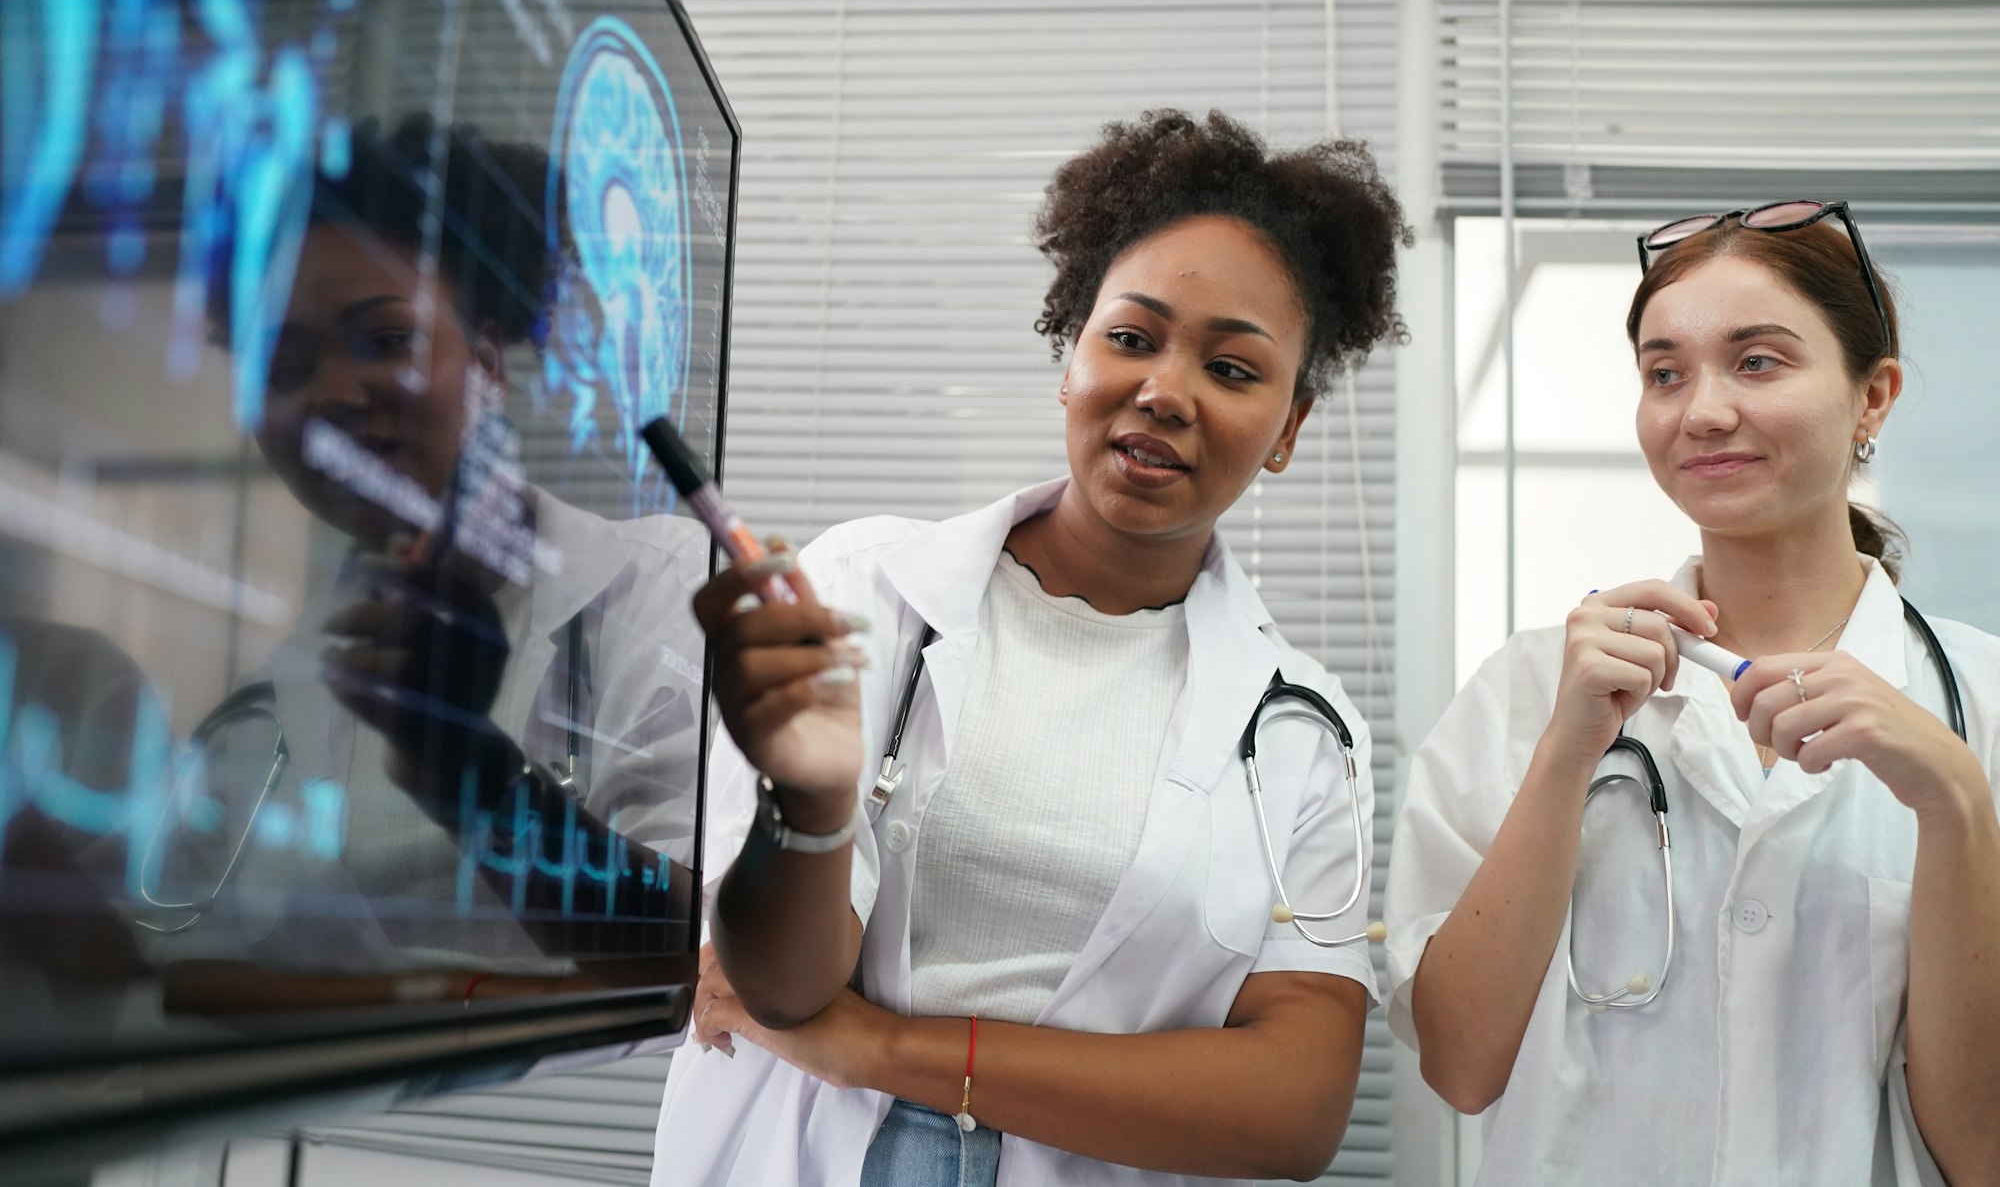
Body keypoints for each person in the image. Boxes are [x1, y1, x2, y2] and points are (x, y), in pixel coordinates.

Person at [651, 109, 1409, 1187]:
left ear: (1287, 428)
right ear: (1070, 354)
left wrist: (883, 1048)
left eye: (1233, 370)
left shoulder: (1300, 724)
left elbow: (1291, 1108)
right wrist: (810, 810)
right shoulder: (865, 588)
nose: (1163, 390)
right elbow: (770, 988)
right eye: (1130, 337)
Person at [1384, 205, 2000, 1183]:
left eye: (1755, 362)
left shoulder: (1979, 701)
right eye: (1663, 372)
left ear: (1871, 396)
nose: (1700, 410)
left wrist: (1957, 801)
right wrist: (1562, 755)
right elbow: (1459, 1065)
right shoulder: (1525, 692)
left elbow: (1981, 1149)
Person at [183, 115, 707, 982]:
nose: (334, 396)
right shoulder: (280, 680)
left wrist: (467, 768)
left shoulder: (663, 590)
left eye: (387, 340)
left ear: (489, 359)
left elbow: (707, 956)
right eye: (283, 367)